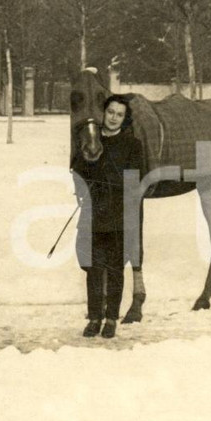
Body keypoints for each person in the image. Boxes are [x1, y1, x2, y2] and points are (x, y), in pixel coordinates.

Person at [71, 94, 144, 339]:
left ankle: (111, 318)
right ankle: (94, 318)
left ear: (125, 119)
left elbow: (134, 180)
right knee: (92, 268)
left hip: (118, 215)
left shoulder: (132, 145)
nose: (113, 118)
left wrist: (106, 179)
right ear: (104, 113)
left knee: (114, 270)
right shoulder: (92, 138)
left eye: (119, 114)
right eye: (110, 112)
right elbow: (77, 170)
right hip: (92, 215)